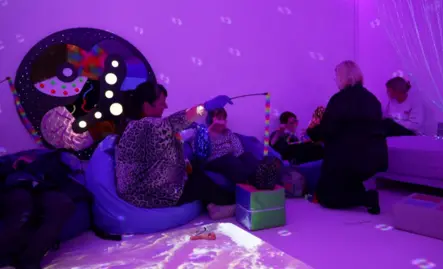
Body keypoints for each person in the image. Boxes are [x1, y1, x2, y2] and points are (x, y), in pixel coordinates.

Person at [115, 81, 236, 219]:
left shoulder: (140, 127)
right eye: (161, 103)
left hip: (144, 186)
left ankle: (214, 206)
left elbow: (156, 158)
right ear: (147, 106)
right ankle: (235, 203)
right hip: (144, 194)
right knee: (199, 182)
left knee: (195, 172)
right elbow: (176, 121)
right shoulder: (143, 125)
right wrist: (206, 106)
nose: (165, 106)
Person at [307, 60, 387, 214]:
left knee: (326, 197)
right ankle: (357, 191)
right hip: (372, 158)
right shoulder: (372, 99)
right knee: (336, 182)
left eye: (337, 76)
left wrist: (312, 132)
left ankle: (366, 198)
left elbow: (327, 130)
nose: (336, 80)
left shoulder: (339, 99)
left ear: (344, 77)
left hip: (346, 159)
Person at [0, 150, 88, 269]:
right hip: (12, 186)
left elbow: (53, 174)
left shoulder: (37, 157)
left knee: (64, 205)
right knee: (22, 206)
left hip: (40, 184)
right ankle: (7, 258)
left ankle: (30, 260)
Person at [192, 108, 259, 185]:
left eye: (223, 119)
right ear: (210, 119)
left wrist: (240, 160)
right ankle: (248, 181)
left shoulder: (228, 133)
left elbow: (239, 151)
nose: (222, 121)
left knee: (248, 156)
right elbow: (200, 155)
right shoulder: (201, 132)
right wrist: (210, 132)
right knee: (230, 160)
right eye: (219, 118)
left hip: (232, 160)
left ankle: (259, 179)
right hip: (213, 161)